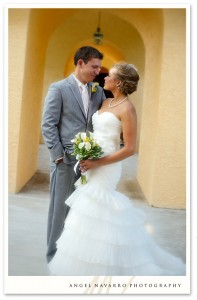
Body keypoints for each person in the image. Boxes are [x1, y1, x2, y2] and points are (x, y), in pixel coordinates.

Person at [48, 63, 186, 276]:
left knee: (100, 208)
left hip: (107, 167)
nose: (104, 77)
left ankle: (106, 266)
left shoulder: (127, 109)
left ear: (119, 82)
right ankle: (87, 261)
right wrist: (86, 152)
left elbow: (130, 149)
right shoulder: (105, 100)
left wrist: (97, 162)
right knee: (87, 212)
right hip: (91, 164)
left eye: (109, 75)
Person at [42, 46, 106, 263]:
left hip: (90, 163)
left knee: (82, 211)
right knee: (59, 211)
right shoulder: (58, 88)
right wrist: (58, 157)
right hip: (65, 161)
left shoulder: (97, 91)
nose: (98, 71)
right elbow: (48, 125)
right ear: (80, 63)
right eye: (94, 66)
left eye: (99, 67)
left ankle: (71, 255)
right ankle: (53, 256)